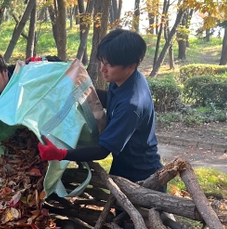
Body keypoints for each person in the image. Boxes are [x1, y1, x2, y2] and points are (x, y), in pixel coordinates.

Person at [38, 29, 163, 183]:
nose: (102, 69)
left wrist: (61, 154)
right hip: (123, 165)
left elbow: (103, 150)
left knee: (127, 207)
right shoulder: (125, 80)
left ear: (130, 66)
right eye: (102, 61)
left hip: (141, 175)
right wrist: (65, 77)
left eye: (109, 65)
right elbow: (108, 99)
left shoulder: (132, 105)